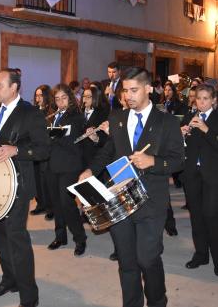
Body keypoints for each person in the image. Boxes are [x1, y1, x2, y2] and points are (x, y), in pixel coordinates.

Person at [79, 67, 185, 307]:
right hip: (120, 200)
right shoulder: (117, 118)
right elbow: (108, 151)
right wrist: (90, 171)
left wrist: (154, 162)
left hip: (151, 201)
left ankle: (158, 300)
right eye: (125, 91)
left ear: (148, 88)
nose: (129, 96)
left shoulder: (166, 121)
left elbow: (178, 160)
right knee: (127, 262)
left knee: (147, 258)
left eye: (134, 90)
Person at [0, 69, 50, 307]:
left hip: (18, 184)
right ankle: (9, 279)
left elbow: (44, 149)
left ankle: (29, 296)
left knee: (17, 239)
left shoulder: (30, 114)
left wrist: (17, 150)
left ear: (14, 88)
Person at [180, 84, 218, 276]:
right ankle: (201, 254)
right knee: (197, 217)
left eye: (206, 98)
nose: (201, 102)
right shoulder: (188, 117)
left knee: (211, 217)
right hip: (192, 174)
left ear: (214, 100)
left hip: (213, 175)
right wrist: (181, 135)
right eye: (198, 98)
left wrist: (206, 129)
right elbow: (183, 148)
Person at [45, 84, 87, 256]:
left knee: (67, 203)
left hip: (70, 165)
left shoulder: (76, 116)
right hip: (52, 164)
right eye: (57, 99)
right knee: (56, 204)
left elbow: (74, 141)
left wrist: (53, 135)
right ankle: (60, 236)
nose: (60, 102)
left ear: (69, 98)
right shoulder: (52, 117)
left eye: (63, 98)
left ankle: (80, 238)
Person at [30, 84, 53, 218]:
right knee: (36, 179)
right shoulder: (34, 111)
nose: (38, 98)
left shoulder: (50, 111)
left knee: (46, 179)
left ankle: (51, 208)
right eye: (36, 95)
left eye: (40, 95)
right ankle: (41, 204)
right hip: (34, 148)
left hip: (45, 149)